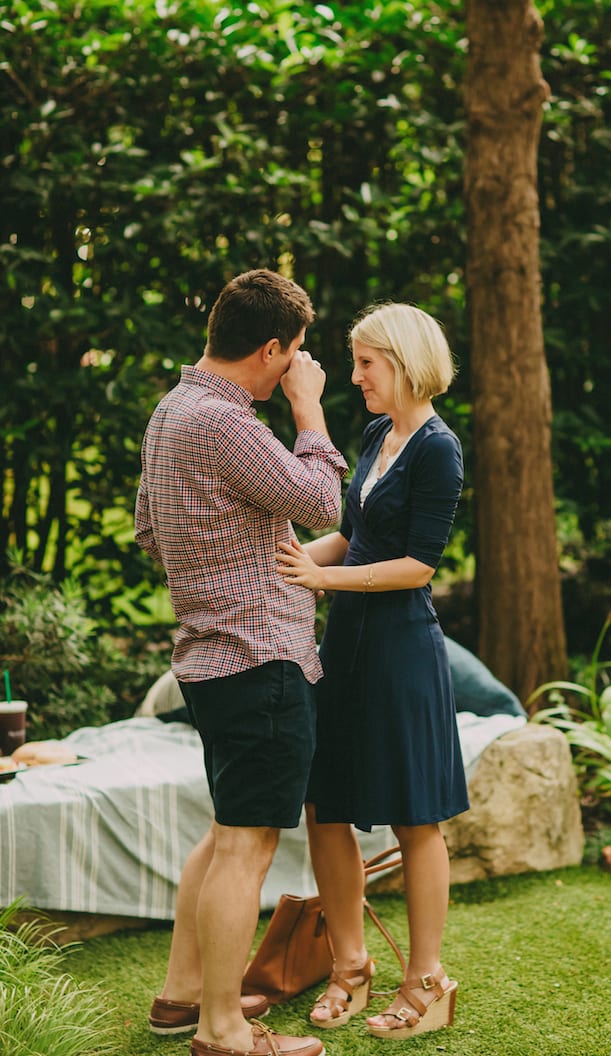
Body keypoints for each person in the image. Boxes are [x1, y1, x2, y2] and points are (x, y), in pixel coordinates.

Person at [134, 268, 347, 1056]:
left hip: (208, 656)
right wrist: (310, 409)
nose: (297, 365)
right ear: (271, 348)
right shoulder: (228, 423)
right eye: (294, 355)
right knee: (248, 846)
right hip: (259, 658)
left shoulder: (169, 413)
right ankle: (224, 1030)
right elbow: (321, 502)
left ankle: (183, 996)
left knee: (224, 836)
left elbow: (150, 532)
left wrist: (226, 566)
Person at [276, 302, 468, 1041]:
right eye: (355, 363)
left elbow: (418, 565)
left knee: (416, 817)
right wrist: (292, 561)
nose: (354, 377)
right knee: (325, 805)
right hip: (346, 647)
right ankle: (349, 967)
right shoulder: (372, 435)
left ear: (407, 361)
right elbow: (352, 538)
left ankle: (426, 981)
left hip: (402, 653)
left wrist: (324, 582)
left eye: (366, 363)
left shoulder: (437, 448)